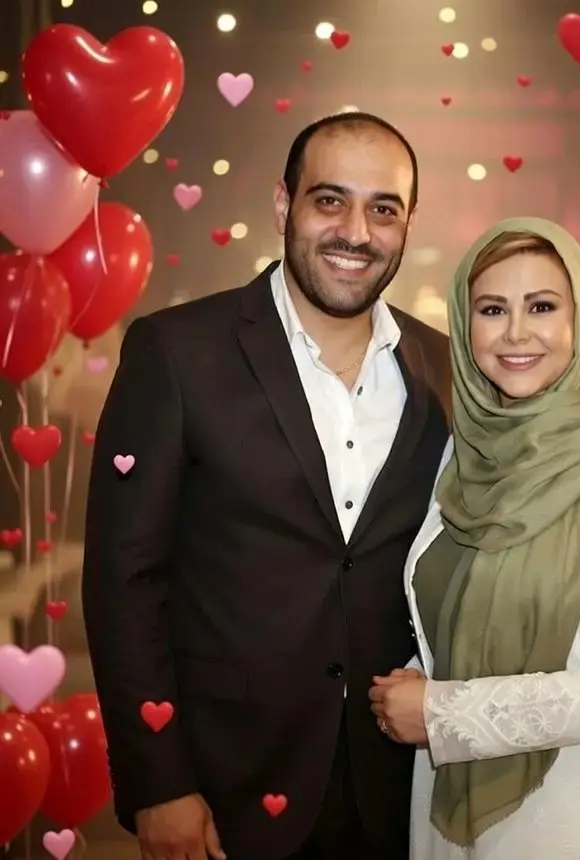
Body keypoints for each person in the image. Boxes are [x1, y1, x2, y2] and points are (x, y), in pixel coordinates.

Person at [82, 112, 451, 860]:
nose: (356, 232)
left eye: (383, 209)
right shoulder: (176, 352)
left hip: (403, 791)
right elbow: (124, 581)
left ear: (409, 224)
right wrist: (157, 782)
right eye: (330, 200)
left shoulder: (443, 368)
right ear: (284, 205)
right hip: (225, 792)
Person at [369, 217, 580, 859]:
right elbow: (464, 610)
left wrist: (443, 713)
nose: (516, 332)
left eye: (542, 306)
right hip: (445, 806)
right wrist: (419, 676)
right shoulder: (461, 456)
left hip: (578, 814)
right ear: (465, 325)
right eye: (492, 309)